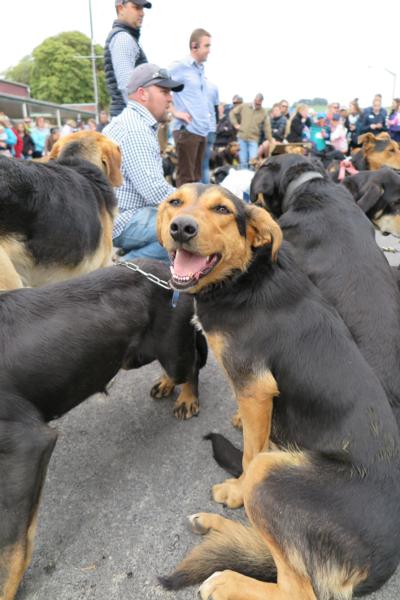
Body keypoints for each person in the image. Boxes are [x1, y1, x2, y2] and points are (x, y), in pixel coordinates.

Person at [103, 63, 184, 261]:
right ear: (143, 94)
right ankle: (122, 272)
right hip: (121, 219)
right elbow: (154, 191)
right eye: (164, 91)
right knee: (185, 233)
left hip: (114, 215)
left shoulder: (130, 122)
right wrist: (194, 201)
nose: (170, 97)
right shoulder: (136, 130)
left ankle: (127, 260)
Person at [169, 28, 212, 186]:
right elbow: (159, 84)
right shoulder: (180, 66)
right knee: (186, 180)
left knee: (195, 179)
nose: (209, 50)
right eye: (206, 46)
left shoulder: (199, 69)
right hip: (187, 130)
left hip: (201, 130)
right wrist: (175, 112)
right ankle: (183, 211)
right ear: (194, 46)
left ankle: (193, 211)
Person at [104, 0, 151, 118]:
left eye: (143, 8)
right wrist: (146, 118)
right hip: (129, 120)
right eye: (137, 7)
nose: (142, 13)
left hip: (126, 117)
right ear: (120, 8)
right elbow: (128, 87)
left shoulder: (126, 37)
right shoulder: (123, 38)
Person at [229, 93, 271, 168]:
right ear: (254, 99)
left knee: (253, 161)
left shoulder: (263, 112)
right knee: (243, 161)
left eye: (259, 103)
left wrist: (270, 139)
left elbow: (267, 127)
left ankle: (252, 178)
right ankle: (243, 177)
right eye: (256, 102)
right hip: (242, 137)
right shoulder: (244, 106)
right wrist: (235, 124)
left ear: (262, 102)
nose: (257, 105)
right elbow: (232, 113)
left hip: (254, 139)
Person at [201, 79, 219, 183]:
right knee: (205, 164)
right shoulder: (214, 87)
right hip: (211, 128)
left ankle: (198, 191)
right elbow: (216, 110)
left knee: (198, 164)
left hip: (199, 129)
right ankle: (206, 188)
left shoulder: (196, 85)